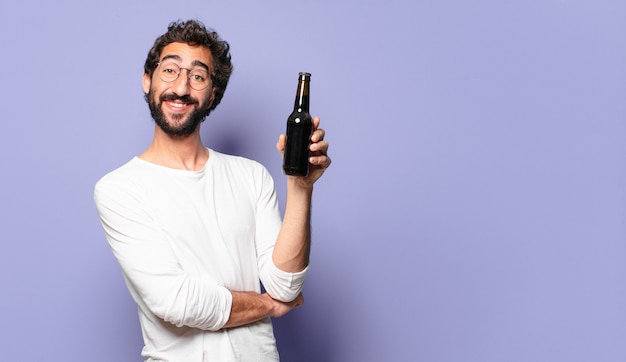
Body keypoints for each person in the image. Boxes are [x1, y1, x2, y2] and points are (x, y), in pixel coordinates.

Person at [94, 19, 331, 361]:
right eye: (170, 70)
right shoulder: (120, 189)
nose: (181, 87)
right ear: (148, 81)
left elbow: (286, 286)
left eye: (198, 76)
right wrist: (268, 304)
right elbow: (177, 302)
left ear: (212, 95)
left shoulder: (251, 176)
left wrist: (300, 187)